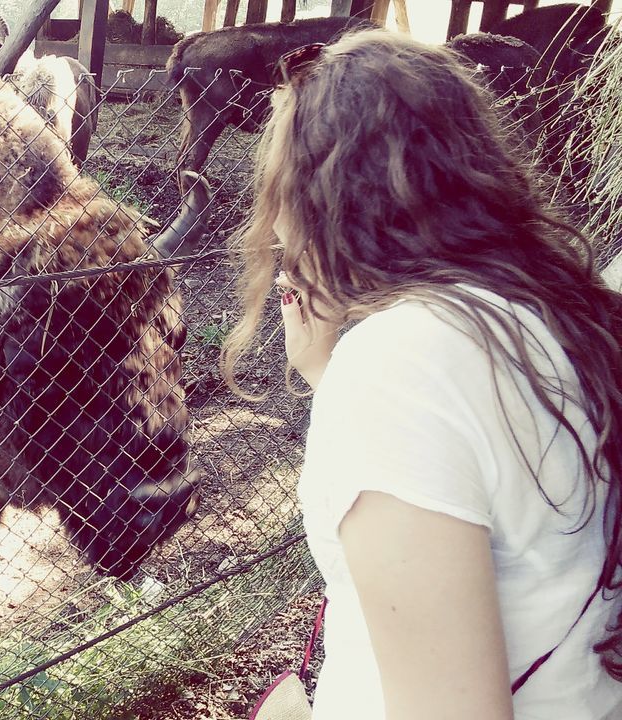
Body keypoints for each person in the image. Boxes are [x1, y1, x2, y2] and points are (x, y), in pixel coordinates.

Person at [219, 30, 622, 720]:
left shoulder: (400, 369)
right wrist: (324, 371)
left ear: (321, 198)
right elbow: (491, 490)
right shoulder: (560, 313)